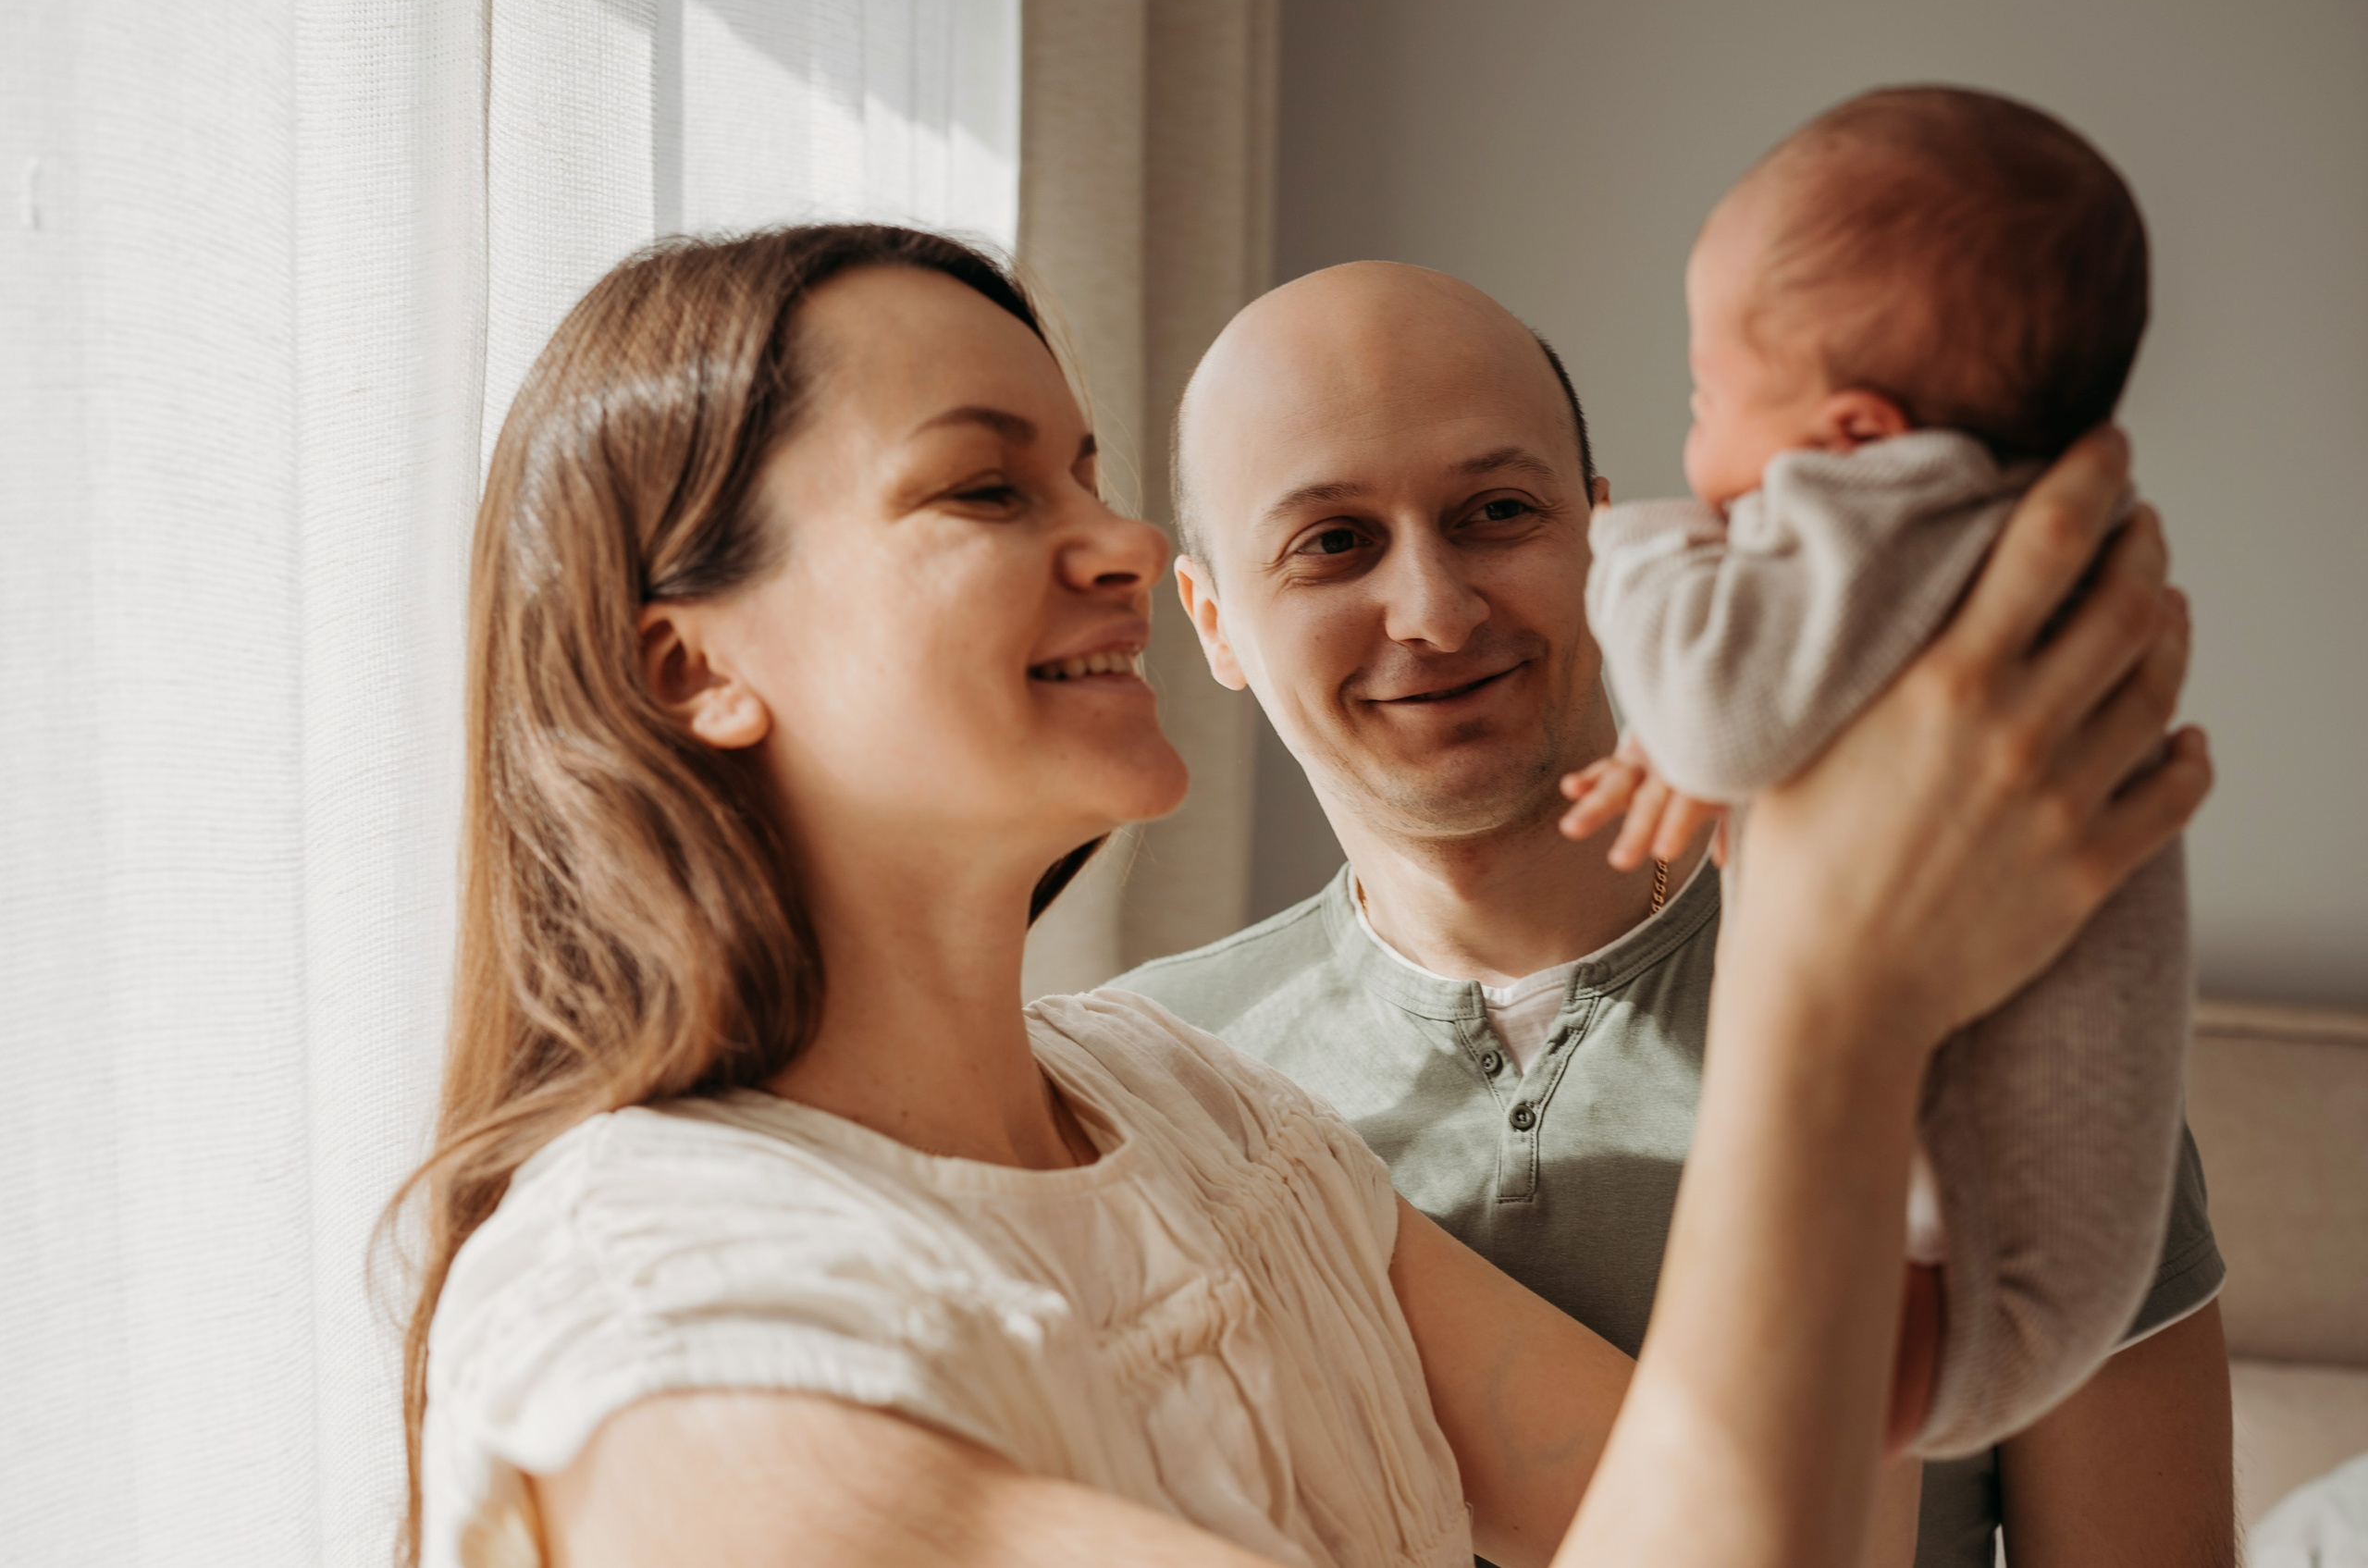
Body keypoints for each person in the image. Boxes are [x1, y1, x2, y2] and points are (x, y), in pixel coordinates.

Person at [393, 223, 2206, 1568]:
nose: (1108, 542)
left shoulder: (1198, 1119)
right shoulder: (675, 1317)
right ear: (687, 664)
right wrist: (1839, 990)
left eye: (1086, 469)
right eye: (982, 483)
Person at [1119, 258, 2230, 1566]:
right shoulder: (1137, 1083)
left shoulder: (1993, 1022)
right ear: (1213, 623)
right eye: (1333, 544)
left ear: (1602, 534)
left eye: (1494, 512)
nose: (1433, 608)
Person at [1579, 84, 2189, 1458]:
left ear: (1853, 437)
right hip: (2025, 1247)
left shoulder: (1893, 515)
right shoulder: (1982, 548)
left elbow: (1728, 712)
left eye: (1707, 396)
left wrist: (1630, 549)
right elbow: (1770, 728)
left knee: (1774, 1419)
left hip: (1980, 1251)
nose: (1695, 444)